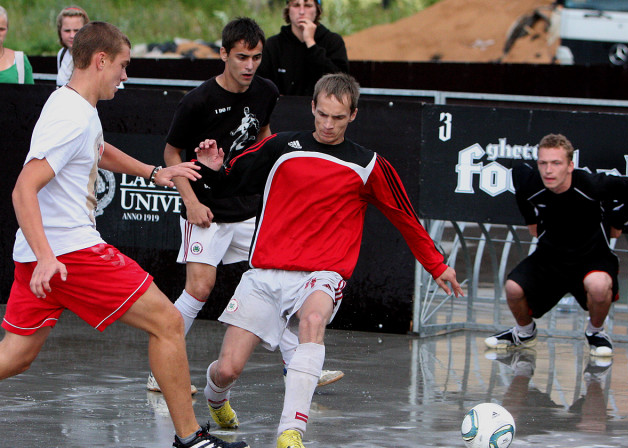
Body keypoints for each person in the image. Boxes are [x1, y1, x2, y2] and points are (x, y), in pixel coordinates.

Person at [0, 21, 246, 448]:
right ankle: (190, 438)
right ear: (100, 60)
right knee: (166, 322)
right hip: (68, 253)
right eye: (122, 66)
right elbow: (23, 188)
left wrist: (155, 172)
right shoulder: (70, 115)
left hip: (45, 255)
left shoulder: (74, 106)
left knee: (14, 353)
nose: (125, 76)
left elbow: (98, 149)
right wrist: (49, 256)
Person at [193, 73, 462, 447]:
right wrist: (211, 167)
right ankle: (216, 397)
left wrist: (437, 264)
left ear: (353, 115)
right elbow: (230, 182)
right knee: (228, 369)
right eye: (322, 115)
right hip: (266, 274)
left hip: (322, 274)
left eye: (338, 117)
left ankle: (291, 431)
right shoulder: (281, 147)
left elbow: (405, 216)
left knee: (314, 319)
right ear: (312, 108)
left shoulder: (368, 165)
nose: (328, 124)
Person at [155, 17, 343, 399]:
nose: (249, 65)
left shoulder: (266, 91)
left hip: (248, 211)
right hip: (205, 209)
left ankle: (299, 366)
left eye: (256, 57)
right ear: (223, 54)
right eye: (241, 57)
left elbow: (264, 136)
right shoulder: (198, 100)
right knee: (200, 289)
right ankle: (160, 371)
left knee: (281, 284)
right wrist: (190, 201)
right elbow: (171, 153)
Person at [484, 134, 628, 358]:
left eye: (556, 163)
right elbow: (518, 174)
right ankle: (524, 333)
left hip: (592, 257)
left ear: (570, 165)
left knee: (599, 286)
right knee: (513, 288)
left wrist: (618, 220)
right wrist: (530, 220)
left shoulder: (592, 185)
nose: (548, 171)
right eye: (543, 163)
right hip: (549, 258)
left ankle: (596, 332)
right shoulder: (532, 182)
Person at [258, 0, 349, 96]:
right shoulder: (273, 44)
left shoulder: (333, 41)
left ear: (317, 10)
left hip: (322, 109)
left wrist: (310, 43)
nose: (301, 11)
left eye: (308, 6)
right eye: (296, 5)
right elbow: (260, 83)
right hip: (283, 108)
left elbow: (340, 84)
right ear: (288, 9)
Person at [55, 6, 89, 87]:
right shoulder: (62, 54)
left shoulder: (94, 56)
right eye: (67, 31)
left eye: (76, 30)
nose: (72, 35)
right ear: (60, 32)